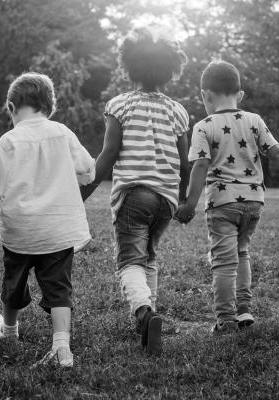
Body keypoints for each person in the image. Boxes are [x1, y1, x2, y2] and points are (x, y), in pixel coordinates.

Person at [176, 60, 279, 334]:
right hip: (253, 203)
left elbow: (200, 166)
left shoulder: (204, 126)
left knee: (223, 261)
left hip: (222, 204)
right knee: (242, 253)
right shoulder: (254, 120)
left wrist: (189, 205)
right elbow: (276, 153)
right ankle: (244, 310)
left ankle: (226, 319)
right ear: (239, 95)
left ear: (205, 95)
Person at [80, 27, 190, 355]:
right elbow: (186, 163)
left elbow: (109, 154)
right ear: (170, 70)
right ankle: (148, 320)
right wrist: (183, 198)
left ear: (129, 66)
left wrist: (83, 192)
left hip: (134, 195)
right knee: (149, 256)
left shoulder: (120, 105)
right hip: (166, 200)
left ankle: (144, 313)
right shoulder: (178, 111)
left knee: (129, 259)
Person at [0, 72, 95, 368]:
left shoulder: (10, 140)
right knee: (59, 288)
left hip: (21, 230)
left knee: (13, 282)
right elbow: (88, 171)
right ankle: (61, 348)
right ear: (49, 106)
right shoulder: (63, 133)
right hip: (57, 229)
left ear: (11, 107)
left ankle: (9, 331)